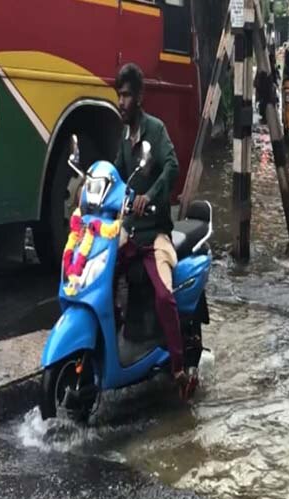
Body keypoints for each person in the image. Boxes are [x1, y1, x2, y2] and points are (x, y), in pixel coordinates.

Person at [113, 63, 189, 395]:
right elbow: (115, 175)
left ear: (140, 97)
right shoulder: (124, 139)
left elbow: (172, 165)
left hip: (154, 232)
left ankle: (179, 368)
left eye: (127, 95)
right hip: (130, 231)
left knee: (163, 295)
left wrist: (150, 195)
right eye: (119, 95)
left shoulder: (154, 131)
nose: (121, 102)